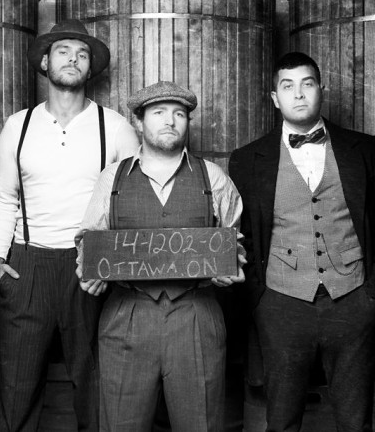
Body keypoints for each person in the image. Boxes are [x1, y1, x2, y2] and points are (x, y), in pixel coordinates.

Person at [229, 52, 375, 432]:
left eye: (307, 84)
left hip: (353, 299)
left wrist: (374, 297)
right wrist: (261, 301)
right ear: (274, 98)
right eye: (287, 86)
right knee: (281, 421)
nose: (298, 94)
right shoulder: (246, 159)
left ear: (321, 89)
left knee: (355, 423)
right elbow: (243, 237)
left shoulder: (364, 148)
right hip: (281, 303)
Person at [0, 19, 140, 431]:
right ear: (44, 62)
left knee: (96, 389)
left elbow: (132, 204)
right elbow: (5, 197)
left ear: (90, 68)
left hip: (89, 267)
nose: (73, 59)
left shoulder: (116, 127)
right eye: (63, 51)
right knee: (16, 391)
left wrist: (110, 265)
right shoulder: (18, 126)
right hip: (27, 266)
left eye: (82, 53)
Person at [75, 80, 246, 431]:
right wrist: (88, 271)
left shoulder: (213, 177)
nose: (170, 121)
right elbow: (88, 241)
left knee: (200, 423)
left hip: (196, 313)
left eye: (179, 114)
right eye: (159, 113)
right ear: (139, 122)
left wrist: (232, 265)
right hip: (127, 313)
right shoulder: (113, 178)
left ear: (187, 122)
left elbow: (233, 240)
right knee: (120, 424)